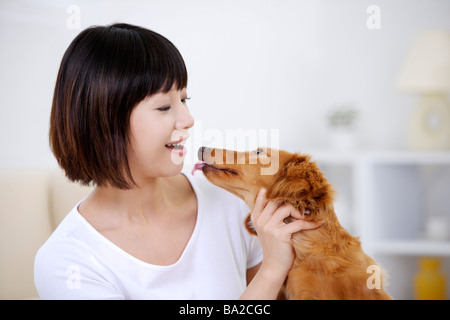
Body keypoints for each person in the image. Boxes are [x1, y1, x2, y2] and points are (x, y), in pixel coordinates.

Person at [34, 23, 321, 299]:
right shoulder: (68, 261)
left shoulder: (227, 198)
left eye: (184, 99)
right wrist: (271, 271)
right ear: (104, 121)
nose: (187, 119)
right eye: (163, 106)